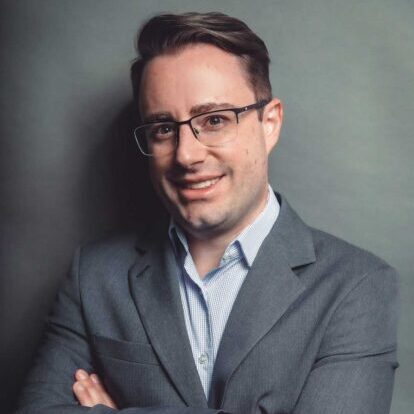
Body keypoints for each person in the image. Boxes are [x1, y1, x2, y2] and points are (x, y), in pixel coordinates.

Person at [17, 12, 399, 414]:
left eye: (214, 120)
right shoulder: (94, 277)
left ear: (269, 124)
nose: (186, 155)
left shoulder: (356, 286)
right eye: (163, 129)